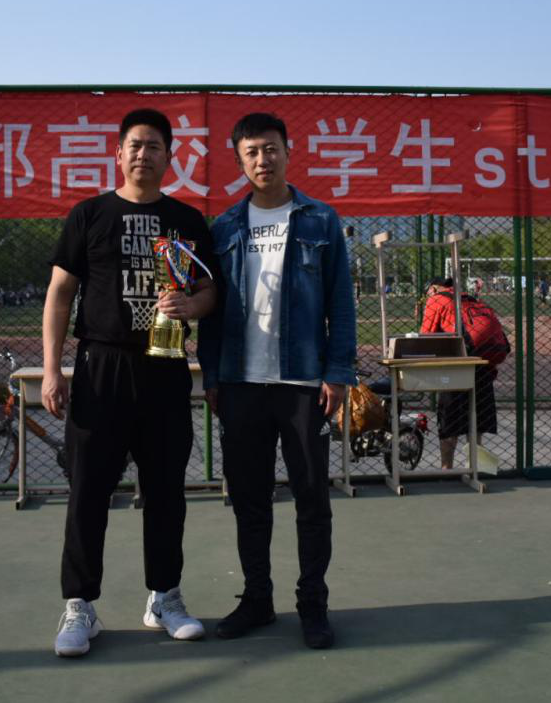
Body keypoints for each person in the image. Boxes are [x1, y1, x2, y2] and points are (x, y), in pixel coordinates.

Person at [42, 108, 217, 658]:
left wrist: (192, 306)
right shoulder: (90, 214)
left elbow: (210, 291)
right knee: (88, 491)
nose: (144, 154)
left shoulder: (186, 221)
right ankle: (80, 606)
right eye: (135, 145)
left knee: (166, 490)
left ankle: (164, 597)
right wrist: (52, 369)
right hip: (101, 368)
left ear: (170, 157)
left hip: (165, 368)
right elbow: (60, 294)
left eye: (154, 146)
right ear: (118, 154)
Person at [198, 112, 356, 650]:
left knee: (312, 499)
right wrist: (213, 375)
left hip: (303, 384)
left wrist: (337, 373)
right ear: (239, 161)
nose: (262, 160)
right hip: (240, 383)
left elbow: (340, 304)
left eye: (270, 149)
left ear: (289, 151)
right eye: (251, 152)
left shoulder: (320, 220)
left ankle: (313, 604)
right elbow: (213, 312)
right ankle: (257, 599)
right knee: (250, 500)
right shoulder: (224, 228)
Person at [419, 278, 500, 469]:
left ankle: (446, 468)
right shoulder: (471, 299)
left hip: (456, 365)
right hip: (482, 364)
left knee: (450, 421)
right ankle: (475, 468)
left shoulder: (436, 299)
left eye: (427, 293)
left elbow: (425, 336)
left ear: (433, 289)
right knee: (476, 420)